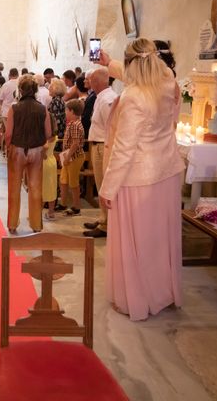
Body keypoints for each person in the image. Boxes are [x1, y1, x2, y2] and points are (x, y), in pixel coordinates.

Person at [98, 38, 185, 321]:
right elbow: (138, 74)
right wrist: (108, 63)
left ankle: (136, 298)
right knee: (160, 238)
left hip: (137, 178)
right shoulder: (168, 80)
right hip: (167, 171)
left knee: (138, 241)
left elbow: (124, 148)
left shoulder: (134, 97)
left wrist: (107, 188)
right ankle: (163, 293)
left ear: (133, 64)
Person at [5, 74, 51, 234]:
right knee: (35, 187)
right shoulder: (42, 108)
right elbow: (49, 132)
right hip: (37, 150)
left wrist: (8, 147)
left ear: (20, 90)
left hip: (18, 149)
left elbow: (9, 134)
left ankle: (12, 224)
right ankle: (36, 224)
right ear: (36, 90)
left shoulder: (14, 108)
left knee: (14, 187)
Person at [83, 67, 117, 239]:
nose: (89, 83)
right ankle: (103, 218)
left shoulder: (107, 99)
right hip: (97, 144)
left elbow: (111, 127)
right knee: (100, 184)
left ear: (100, 81)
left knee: (104, 185)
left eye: (92, 80)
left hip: (103, 146)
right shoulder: (101, 97)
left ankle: (106, 225)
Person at [57, 99, 85, 216]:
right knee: (63, 180)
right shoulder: (73, 123)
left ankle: (76, 206)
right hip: (68, 156)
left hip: (74, 156)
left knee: (73, 182)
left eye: (66, 110)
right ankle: (63, 203)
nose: (65, 112)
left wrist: (68, 156)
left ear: (72, 111)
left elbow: (75, 143)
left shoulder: (75, 124)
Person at [42, 114, 59, 220]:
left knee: (41, 188)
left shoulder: (44, 137)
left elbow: (44, 148)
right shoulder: (54, 136)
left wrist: (42, 153)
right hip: (52, 161)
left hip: (44, 162)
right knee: (52, 187)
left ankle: (36, 212)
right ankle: (51, 212)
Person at [47, 77, 67, 152]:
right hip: (61, 131)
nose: (49, 88)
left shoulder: (55, 101)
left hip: (56, 133)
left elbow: (55, 120)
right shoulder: (60, 100)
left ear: (56, 89)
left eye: (51, 86)